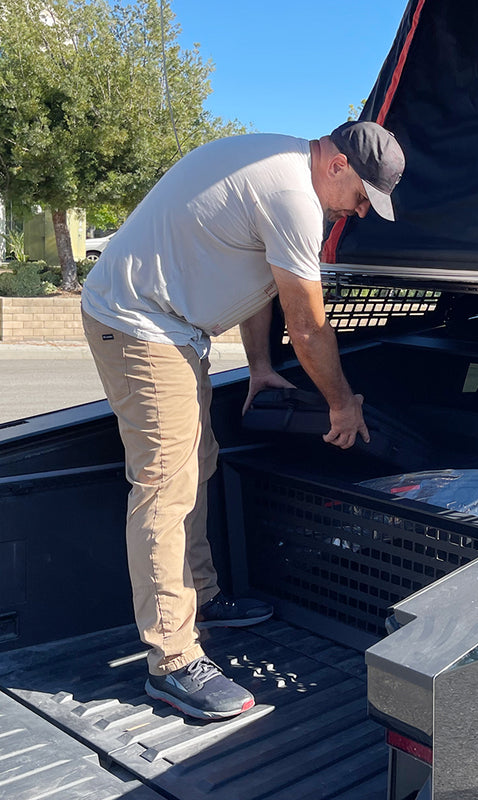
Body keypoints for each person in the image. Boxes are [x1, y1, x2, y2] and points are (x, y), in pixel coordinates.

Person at [80, 121, 405, 720]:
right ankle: (172, 661)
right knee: (165, 487)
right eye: (362, 195)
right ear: (336, 164)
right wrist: (342, 402)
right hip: (139, 323)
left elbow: (261, 285)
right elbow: (308, 326)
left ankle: (201, 596)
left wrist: (258, 366)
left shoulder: (277, 165)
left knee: (196, 463)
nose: (359, 211)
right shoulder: (291, 194)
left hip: (172, 327)